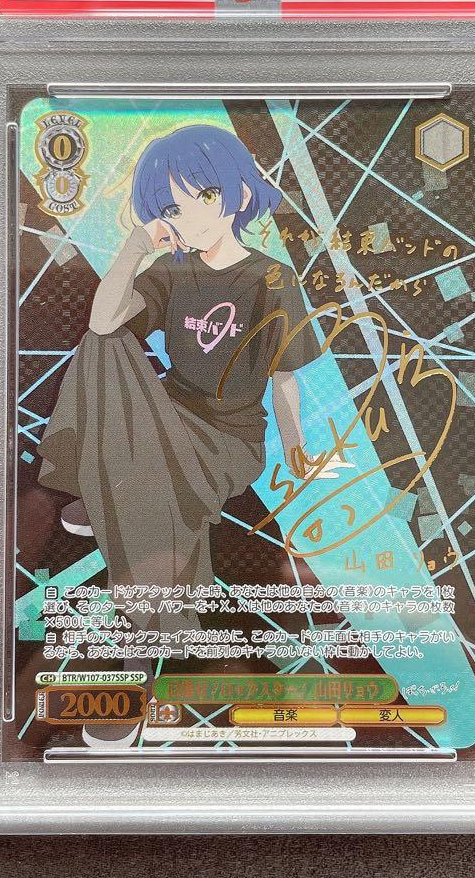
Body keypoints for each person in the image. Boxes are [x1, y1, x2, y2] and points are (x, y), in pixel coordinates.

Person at [37, 124, 335, 746]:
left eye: (200, 196)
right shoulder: (171, 274)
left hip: (228, 437)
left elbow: (283, 377)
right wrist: (135, 245)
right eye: (171, 207)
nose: (188, 216)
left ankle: (133, 669)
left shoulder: (272, 279)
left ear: (237, 195)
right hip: (167, 416)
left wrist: (296, 447)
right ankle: (97, 485)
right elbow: (103, 320)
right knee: (104, 341)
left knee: (158, 505)